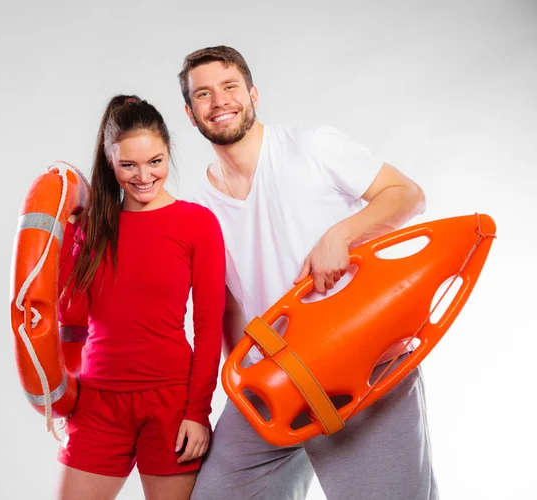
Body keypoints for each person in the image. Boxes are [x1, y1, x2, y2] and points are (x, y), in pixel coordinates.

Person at [178, 46, 438, 500]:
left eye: (229, 86)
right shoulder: (200, 209)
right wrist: (243, 380)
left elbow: (406, 195)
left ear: (253, 93)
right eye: (203, 94)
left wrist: (341, 233)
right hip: (277, 377)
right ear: (189, 112)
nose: (219, 101)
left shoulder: (312, 145)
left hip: (365, 360)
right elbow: (229, 307)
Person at [55, 95, 226, 500]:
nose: (144, 176)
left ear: (169, 153)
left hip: (170, 403)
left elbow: (208, 326)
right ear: (109, 160)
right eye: (128, 164)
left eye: (156, 161)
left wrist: (197, 413)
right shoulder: (94, 227)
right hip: (97, 402)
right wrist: (70, 238)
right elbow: (70, 312)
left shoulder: (196, 224)